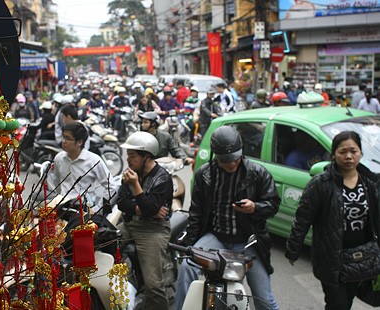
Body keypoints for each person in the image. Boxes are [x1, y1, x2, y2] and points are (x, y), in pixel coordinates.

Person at [175, 126, 280, 310]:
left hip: (249, 241)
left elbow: (273, 205)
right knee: (187, 266)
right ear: (216, 156)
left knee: (264, 297)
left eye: (235, 159)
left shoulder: (258, 173)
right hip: (217, 237)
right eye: (226, 161)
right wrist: (189, 247)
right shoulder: (204, 174)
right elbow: (196, 213)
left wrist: (255, 208)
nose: (232, 164)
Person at [285, 131, 380, 310]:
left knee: (347, 301)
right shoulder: (321, 184)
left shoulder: (371, 182)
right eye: (342, 152)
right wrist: (293, 249)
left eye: (353, 151)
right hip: (331, 257)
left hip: (362, 256)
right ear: (333, 155)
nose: (349, 156)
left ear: (361, 153)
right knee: (337, 304)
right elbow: (302, 219)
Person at [117, 131, 173, 310]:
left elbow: (150, 210)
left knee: (154, 285)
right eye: (128, 156)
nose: (128, 160)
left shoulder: (162, 178)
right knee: (102, 245)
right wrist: (144, 209)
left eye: (132, 156)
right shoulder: (130, 172)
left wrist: (135, 186)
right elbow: (121, 203)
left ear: (146, 157)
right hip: (129, 225)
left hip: (152, 230)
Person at [48, 122, 118, 203]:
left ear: (79, 142)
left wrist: (99, 208)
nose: (63, 141)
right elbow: (57, 182)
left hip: (84, 208)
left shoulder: (94, 161)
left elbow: (111, 187)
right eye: (63, 137)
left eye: (67, 138)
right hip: (62, 205)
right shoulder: (59, 158)